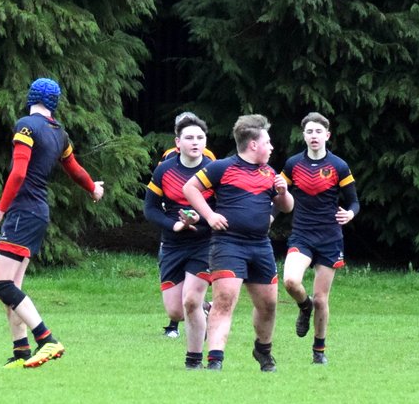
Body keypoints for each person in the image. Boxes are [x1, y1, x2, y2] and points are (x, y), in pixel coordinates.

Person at [0, 78, 105, 367]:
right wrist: (93, 189)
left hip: (23, 212)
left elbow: (18, 173)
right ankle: (21, 352)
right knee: (13, 287)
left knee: (1, 285)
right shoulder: (59, 133)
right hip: (37, 213)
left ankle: (46, 339)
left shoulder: (26, 126)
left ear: (31, 97)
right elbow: (74, 169)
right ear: (55, 102)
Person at [182, 113, 293, 371]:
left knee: (268, 305)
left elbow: (287, 207)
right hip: (228, 244)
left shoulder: (270, 173)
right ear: (253, 144)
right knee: (224, 300)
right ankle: (215, 360)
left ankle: (263, 350)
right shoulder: (222, 167)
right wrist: (210, 216)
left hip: (260, 245)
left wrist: (283, 192)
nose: (271, 147)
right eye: (267, 142)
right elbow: (190, 188)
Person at [282, 111, 358, 365]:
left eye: (318, 131)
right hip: (301, 235)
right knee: (290, 281)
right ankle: (305, 306)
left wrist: (350, 213)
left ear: (327, 135)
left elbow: (354, 202)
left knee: (322, 298)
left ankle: (319, 351)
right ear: (303, 136)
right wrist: (269, 215)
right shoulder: (293, 164)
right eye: (309, 132)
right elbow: (279, 195)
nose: (314, 136)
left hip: (329, 238)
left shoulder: (339, 166)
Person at [144, 112, 212, 365]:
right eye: (189, 138)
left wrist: (201, 220)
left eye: (200, 138)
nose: (195, 142)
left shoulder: (214, 170)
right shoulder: (165, 169)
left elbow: (223, 209)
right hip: (173, 244)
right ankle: (207, 309)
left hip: (204, 243)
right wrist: (174, 225)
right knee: (175, 310)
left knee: (191, 300)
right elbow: (150, 209)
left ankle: (194, 359)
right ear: (177, 142)